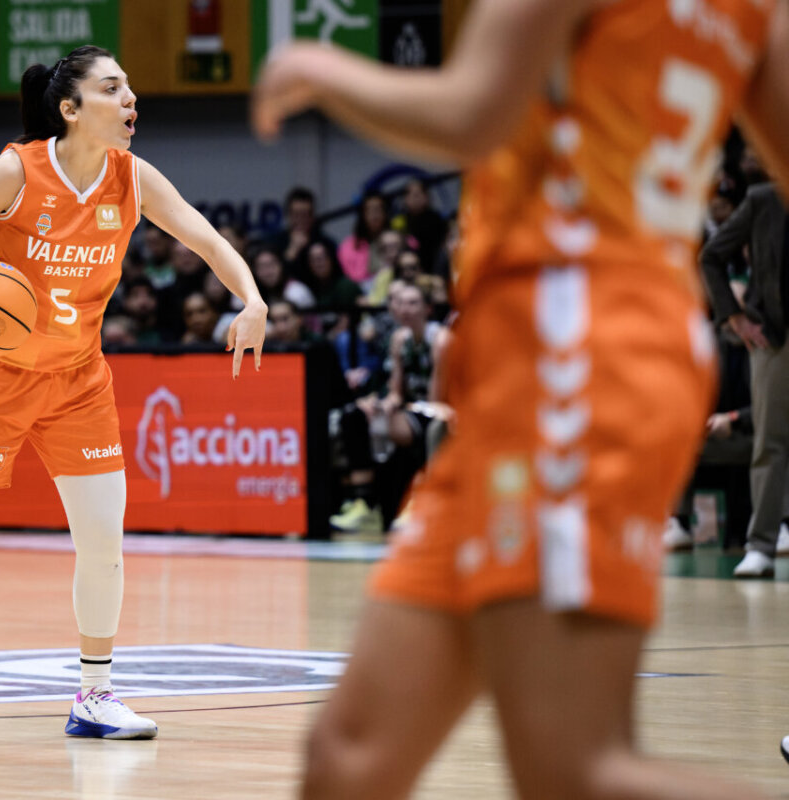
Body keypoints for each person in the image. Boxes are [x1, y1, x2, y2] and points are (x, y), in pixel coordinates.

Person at [253, 0, 788, 796]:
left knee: (573, 767)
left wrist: (320, 69)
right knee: (349, 758)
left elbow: (472, 114)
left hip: (575, 348)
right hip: (555, 356)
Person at [0, 45, 266, 751]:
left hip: (78, 381)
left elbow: (203, 237)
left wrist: (252, 298)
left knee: (104, 543)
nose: (131, 98)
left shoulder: (131, 179)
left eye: (130, 86)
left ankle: (95, 695)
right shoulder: (19, 170)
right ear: (71, 109)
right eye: (114, 88)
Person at [699, 177, 789, 576]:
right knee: (770, 439)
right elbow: (711, 256)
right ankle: (762, 544)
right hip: (773, 335)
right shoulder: (762, 199)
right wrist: (733, 317)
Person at [338, 189, 389, 283]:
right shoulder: (348, 245)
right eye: (370, 210)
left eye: (378, 209)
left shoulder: (397, 239)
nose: (374, 215)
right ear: (363, 215)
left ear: (385, 213)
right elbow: (352, 277)